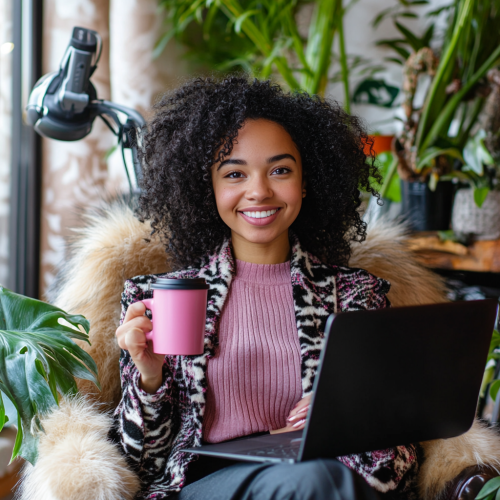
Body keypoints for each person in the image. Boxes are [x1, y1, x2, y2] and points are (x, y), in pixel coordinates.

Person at [112, 77, 421, 500]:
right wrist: (150, 377)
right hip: (204, 483)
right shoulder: (159, 298)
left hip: (325, 476)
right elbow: (137, 465)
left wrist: (348, 418)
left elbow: (400, 459)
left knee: (321, 480)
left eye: (280, 170)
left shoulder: (355, 296)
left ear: (306, 182)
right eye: (234, 173)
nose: (259, 191)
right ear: (210, 188)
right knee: (316, 483)